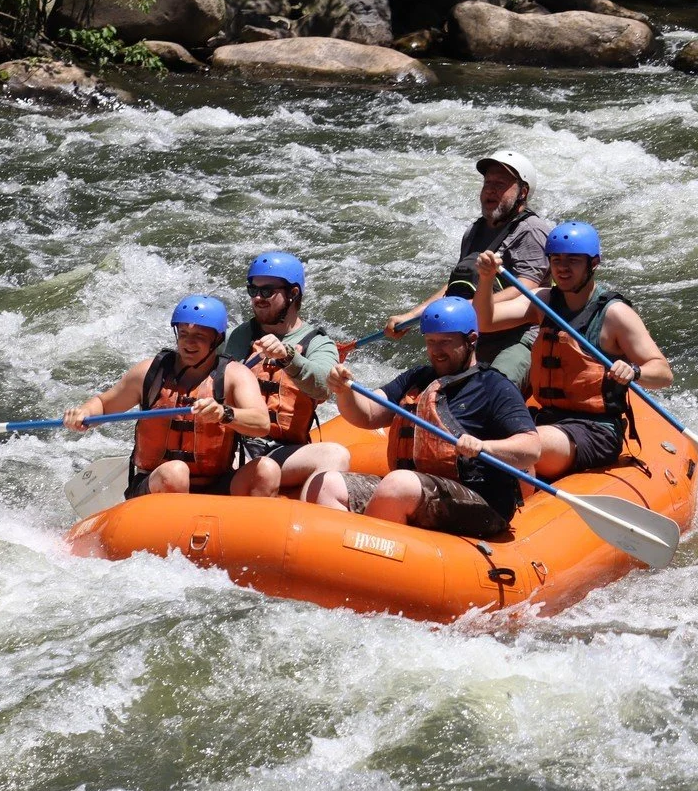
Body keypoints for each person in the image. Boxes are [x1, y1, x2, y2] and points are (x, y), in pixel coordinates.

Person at [307, 297, 540, 538]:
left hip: (480, 500)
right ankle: (343, 554)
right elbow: (367, 414)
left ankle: (369, 551)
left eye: (445, 342)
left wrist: (484, 447)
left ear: (471, 339)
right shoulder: (417, 378)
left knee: (398, 485)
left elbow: (532, 447)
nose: (436, 352)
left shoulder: (493, 386)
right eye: (430, 342)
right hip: (418, 488)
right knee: (327, 485)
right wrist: (344, 392)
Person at [473, 221, 673, 479]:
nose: (563, 268)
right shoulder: (543, 301)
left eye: (573, 260)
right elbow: (484, 321)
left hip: (595, 430)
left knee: (524, 445)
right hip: (546, 418)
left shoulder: (615, 315)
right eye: (556, 260)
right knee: (482, 427)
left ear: (593, 263)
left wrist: (634, 371)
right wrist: (487, 279)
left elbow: (663, 373)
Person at [63, 295, 270, 498]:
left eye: (199, 336)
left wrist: (224, 413)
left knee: (266, 470)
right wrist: (84, 413)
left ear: (216, 339)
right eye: (183, 334)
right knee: (175, 473)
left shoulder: (235, 375)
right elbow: (103, 404)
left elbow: (261, 423)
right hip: (160, 482)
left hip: (216, 483)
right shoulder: (150, 372)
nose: (188, 343)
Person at [385, 150, 554, 387]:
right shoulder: (475, 231)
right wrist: (412, 315)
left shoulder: (531, 231)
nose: (490, 190)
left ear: (522, 192)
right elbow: (455, 286)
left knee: (491, 391)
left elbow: (525, 288)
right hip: (476, 335)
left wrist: (470, 308)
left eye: (500, 185)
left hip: (519, 336)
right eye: (487, 183)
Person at [224, 251, 351, 497]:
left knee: (336, 455)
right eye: (253, 290)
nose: (258, 298)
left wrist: (288, 357)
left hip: (284, 451)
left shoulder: (318, 342)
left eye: (267, 291)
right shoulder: (239, 336)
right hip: (236, 446)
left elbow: (323, 388)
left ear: (293, 293)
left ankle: (305, 513)